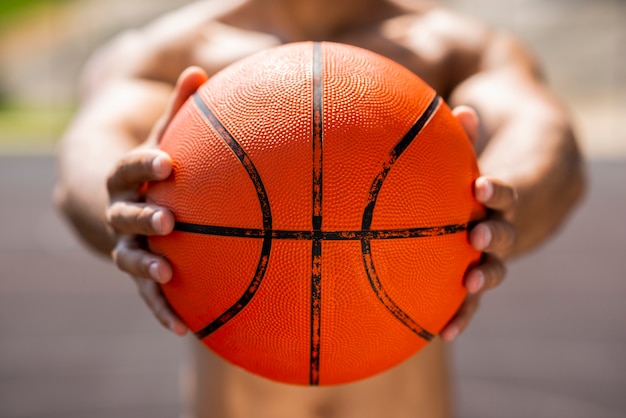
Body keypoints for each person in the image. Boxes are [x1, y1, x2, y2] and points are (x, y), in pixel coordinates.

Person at [55, 0, 585, 416]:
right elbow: (90, 148)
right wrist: (122, 206)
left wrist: (501, 200)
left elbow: (544, 135)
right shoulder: (171, 52)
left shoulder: (451, 46)